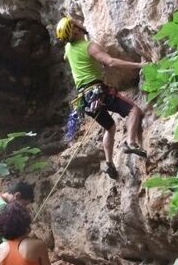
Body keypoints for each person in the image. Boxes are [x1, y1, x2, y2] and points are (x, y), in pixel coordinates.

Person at [56, 15, 146, 179]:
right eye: (74, 24)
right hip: (99, 92)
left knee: (110, 127)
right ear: (75, 31)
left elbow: (68, 55)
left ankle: (109, 163)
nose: (77, 23)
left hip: (85, 100)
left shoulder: (68, 49)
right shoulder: (89, 47)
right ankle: (131, 142)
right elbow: (110, 62)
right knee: (134, 110)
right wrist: (140, 65)